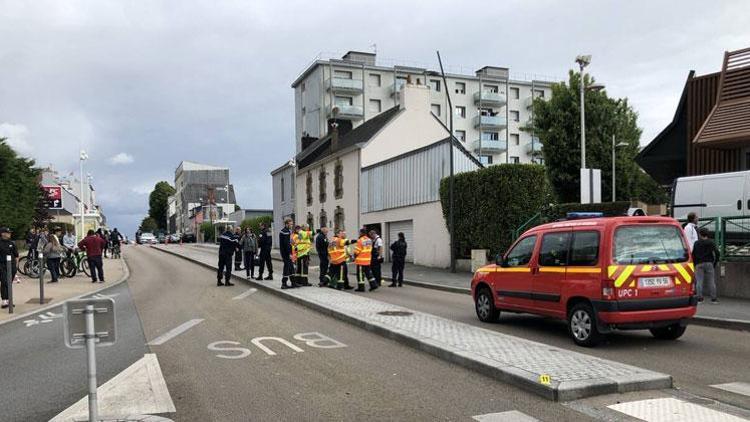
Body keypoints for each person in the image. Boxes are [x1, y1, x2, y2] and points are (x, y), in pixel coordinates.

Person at [693, 228, 720, 303]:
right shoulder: (711, 242)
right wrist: (715, 262)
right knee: (711, 281)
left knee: (699, 281)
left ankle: (700, 298)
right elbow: (717, 252)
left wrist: (695, 264)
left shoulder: (696, 243)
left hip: (699, 263)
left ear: (700, 234)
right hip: (709, 263)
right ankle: (713, 299)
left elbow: (693, 254)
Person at [0, 227, 19, 309]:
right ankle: (5, 300)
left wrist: (16, 266)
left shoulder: (12, 243)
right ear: (2, 233)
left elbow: (16, 255)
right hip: (2, 265)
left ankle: (9, 299)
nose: (9, 234)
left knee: (9, 282)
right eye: (8, 233)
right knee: (4, 281)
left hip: (12, 265)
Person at [279, 218, 297, 289]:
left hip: (287, 252)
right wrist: (289, 253)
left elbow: (289, 242)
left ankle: (293, 283)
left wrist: (293, 243)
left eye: (292, 224)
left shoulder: (287, 231)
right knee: (287, 267)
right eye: (291, 224)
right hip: (286, 253)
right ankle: (284, 283)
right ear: (286, 224)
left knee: (291, 267)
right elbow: (286, 244)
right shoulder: (285, 232)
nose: (292, 225)